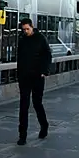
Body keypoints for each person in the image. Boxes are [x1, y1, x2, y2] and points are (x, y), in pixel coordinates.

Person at [16, 18, 51, 146]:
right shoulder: (22, 40)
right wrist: (19, 74)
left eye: (27, 29)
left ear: (32, 27)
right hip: (24, 77)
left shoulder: (41, 39)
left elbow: (48, 55)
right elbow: (19, 58)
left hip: (37, 76)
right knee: (23, 105)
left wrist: (44, 71)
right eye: (23, 29)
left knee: (37, 103)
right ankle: (22, 135)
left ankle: (44, 125)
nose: (26, 31)